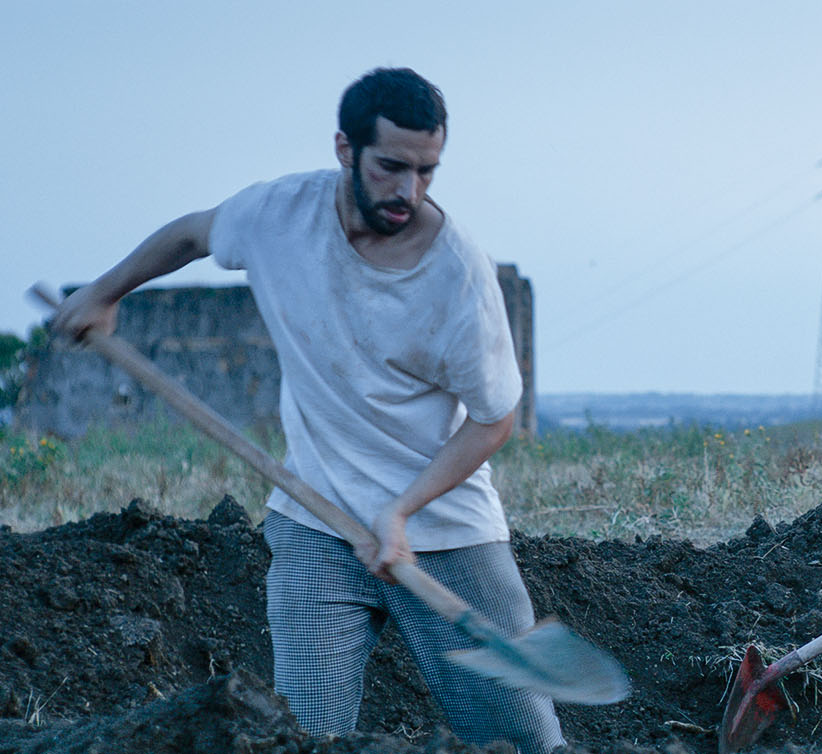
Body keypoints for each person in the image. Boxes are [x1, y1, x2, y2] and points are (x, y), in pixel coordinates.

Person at [52, 67, 564, 753]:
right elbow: (192, 235)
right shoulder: (277, 216)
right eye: (390, 167)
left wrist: (401, 511)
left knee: (522, 741)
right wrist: (105, 292)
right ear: (345, 150)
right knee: (305, 739)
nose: (408, 191)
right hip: (313, 523)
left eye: (427, 172)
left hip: (445, 534)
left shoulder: (458, 275)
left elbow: (494, 418)